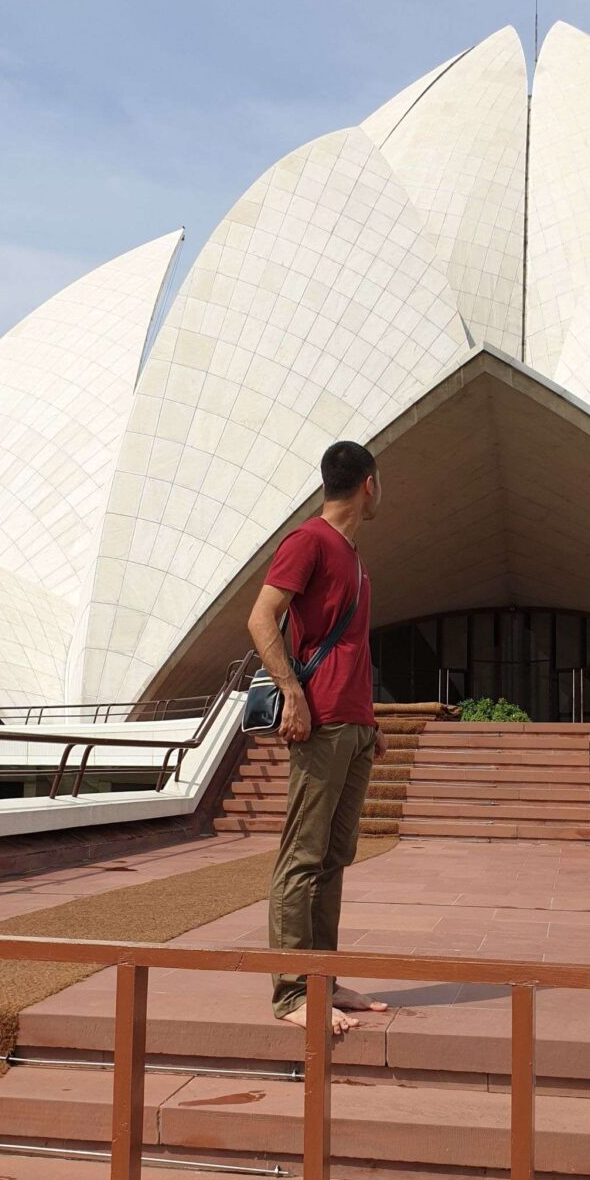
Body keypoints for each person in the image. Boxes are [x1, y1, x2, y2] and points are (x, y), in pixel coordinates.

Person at [247, 440, 390, 1037]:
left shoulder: (352, 555)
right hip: (322, 722)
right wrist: (296, 696)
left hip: (353, 725)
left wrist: (371, 721)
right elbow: (260, 617)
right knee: (301, 859)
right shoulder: (308, 541)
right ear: (369, 485)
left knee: (334, 858)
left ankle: (323, 981)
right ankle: (289, 996)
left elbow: (355, 648)